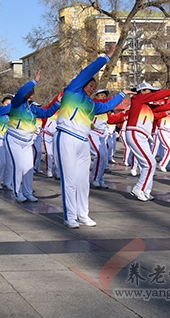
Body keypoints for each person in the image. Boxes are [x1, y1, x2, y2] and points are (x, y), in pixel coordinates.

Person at [55, 45, 129, 228]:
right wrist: (107, 57)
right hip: (67, 137)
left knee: (82, 182)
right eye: (89, 85)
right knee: (70, 180)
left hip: (83, 141)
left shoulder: (90, 103)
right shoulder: (72, 90)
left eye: (93, 87)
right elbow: (89, 70)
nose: (91, 88)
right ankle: (70, 217)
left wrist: (123, 94)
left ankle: (83, 214)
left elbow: (104, 107)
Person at [125, 81, 170, 201]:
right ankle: (138, 188)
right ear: (142, 91)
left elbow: (159, 109)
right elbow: (157, 97)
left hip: (141, 135)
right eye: (149, 91)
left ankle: (146, 191)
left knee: (150, 163)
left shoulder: (145, 105)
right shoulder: (137, 99)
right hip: (135, 133)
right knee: (149, 163)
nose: (152, 93)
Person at [5, 71, 60, 202]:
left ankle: (28, 192)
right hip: (14, 139)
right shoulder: (17, 103)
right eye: (28, 93)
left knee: (29, 168)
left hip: (27, 141)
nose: (30, 95)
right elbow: (20, 92)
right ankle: (17, 192)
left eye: (32, 92)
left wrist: (57, 103)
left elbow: (46, 113)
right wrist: (34, 81)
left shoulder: (34, 108)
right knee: (18, 167)